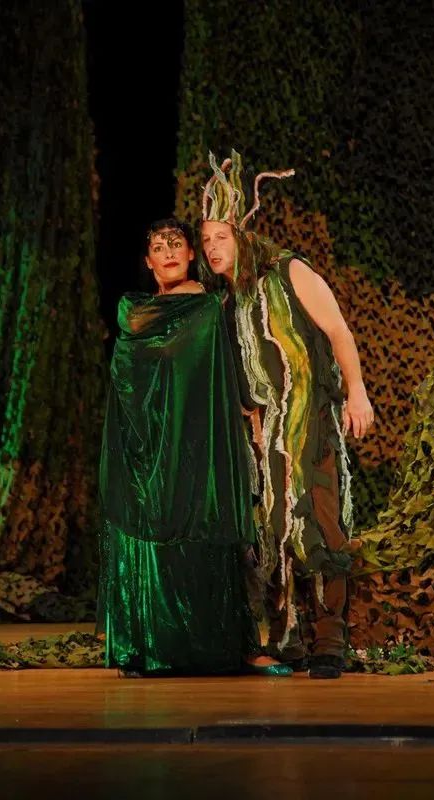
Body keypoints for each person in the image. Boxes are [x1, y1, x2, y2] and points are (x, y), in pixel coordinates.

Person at [200, 152, 374, 678]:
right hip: (263, 432)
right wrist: (249, 418)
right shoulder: (228, 301)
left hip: (309, 421)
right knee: (273, 529)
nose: (212, 248)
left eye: (221, 238)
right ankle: (287, 636)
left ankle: (330, 642)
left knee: (318, 522)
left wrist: (357, 392)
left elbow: (338, 330)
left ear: (242, 236)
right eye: (205, 241)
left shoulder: (288, 270)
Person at [97, 217, 291, 676]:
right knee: (148, 531)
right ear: (148, 262)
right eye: (158, 247)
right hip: (146, 445)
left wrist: (252, 413)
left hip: (200, 443)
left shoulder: (211, 306)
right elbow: (127, 376)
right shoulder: (135, 311)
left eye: (177, 244)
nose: (168, 252)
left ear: (190, 255)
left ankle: (235, 646)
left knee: (208, 530)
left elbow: (230, 367)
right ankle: (146, 646)